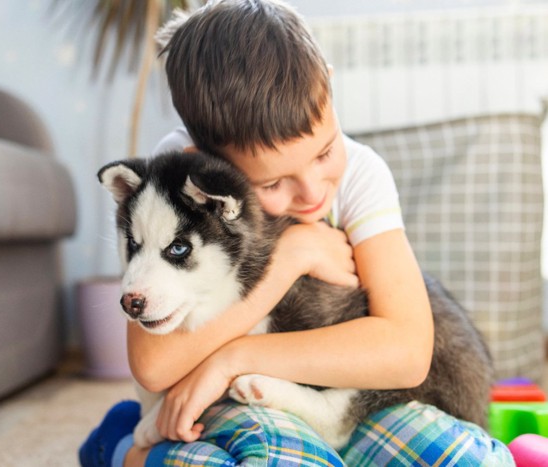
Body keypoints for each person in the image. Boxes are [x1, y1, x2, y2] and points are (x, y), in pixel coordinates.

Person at [80, 1, 513, 465]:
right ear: (208, 161)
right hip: (243, 406)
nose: (311, 193)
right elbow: (153, 365)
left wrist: (235, 357)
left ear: (329, 80)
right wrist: (294, 255)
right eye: (271, 183)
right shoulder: (178, 178)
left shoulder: (362, 175)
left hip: (342, 397)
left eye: (325, 152)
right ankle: (123, 449)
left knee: (470, 459)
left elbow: (407, 351)